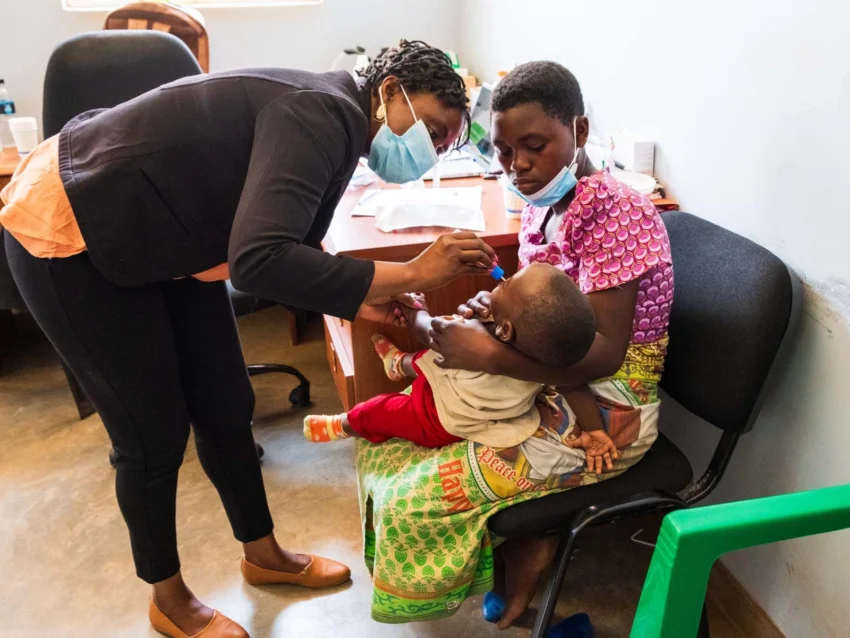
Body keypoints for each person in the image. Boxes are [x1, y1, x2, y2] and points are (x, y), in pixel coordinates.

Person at [0, 40, 496, 638]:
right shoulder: (322, 111)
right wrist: (416, 271)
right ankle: (168, 596)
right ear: (389, 90)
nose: (434, 149)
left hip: (163, 238)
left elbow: (284, 244)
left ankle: (263, 555)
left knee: (226, 404)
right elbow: (262, 259)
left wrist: (363, 297)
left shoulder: (340, 127)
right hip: (72, 228)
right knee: (150, 435)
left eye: (446, 143)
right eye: (434, 130)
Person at [354, 60, 673, 628]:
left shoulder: (616, 214)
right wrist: (492, 309)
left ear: (577, 132)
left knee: (417, 496)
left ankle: (526, 552)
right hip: (551, 377)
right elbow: (541, 315)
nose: (517, 165)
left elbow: (604, 354)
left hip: (609, 402)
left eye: (534, 146)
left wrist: (491, 353)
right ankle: (527, 543)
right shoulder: (542, 206)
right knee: (409, 431)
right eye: (503, 151)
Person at [303, 263, 613, 456]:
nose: (501, 279)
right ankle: (399, 363)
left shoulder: (478, 337)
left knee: (384, 410)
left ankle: (344, 424)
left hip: (439, 416)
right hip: (456, 384)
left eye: (508, 284)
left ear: (505, 331)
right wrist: (596, 432)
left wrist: (416, 311)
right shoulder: (547, 358)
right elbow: (575, 386)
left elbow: (428, 332)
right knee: (434, 359)